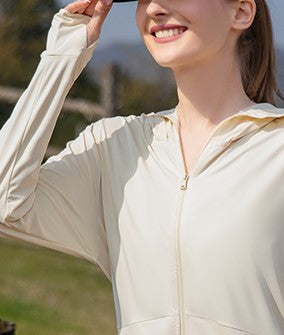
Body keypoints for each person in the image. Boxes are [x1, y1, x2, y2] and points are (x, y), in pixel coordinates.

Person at [0, 0, 283, 334]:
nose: (154, 8)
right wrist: (64, 53)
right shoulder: (113, 148)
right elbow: (7, 203)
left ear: (241, 11)